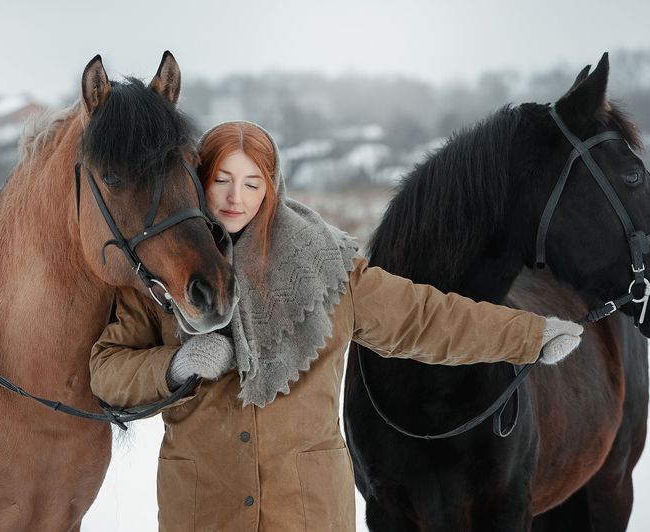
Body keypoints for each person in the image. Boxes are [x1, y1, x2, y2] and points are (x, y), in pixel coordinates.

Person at [89, 121, 583, 532]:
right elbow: (106, 370)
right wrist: (175, 365)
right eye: (221, 180)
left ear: (272, 185)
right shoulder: (165, 278)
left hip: (307, 513)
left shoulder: (329, 268)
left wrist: (529, 336)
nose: (235, 197)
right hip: (202, 512)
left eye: (252, 182)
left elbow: (426, 318)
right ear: (199, 182)